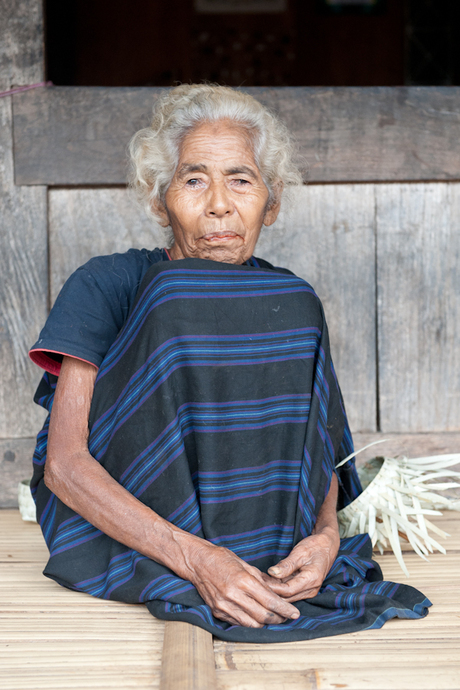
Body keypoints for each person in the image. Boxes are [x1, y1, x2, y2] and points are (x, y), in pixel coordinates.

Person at [30, 84, 430, 642]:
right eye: (194, 180)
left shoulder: (290, 305)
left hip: (268, 541)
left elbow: (317, 449)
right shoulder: (106, 282)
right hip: (136, 523)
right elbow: (65, 466)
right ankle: (213, 558)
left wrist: (325, 539)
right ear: (158, 199)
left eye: (241, 180)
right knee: (175, 294)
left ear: (273, 200)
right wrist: (196, 560)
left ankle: (251, 561)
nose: (219, 202)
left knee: (292, 299)